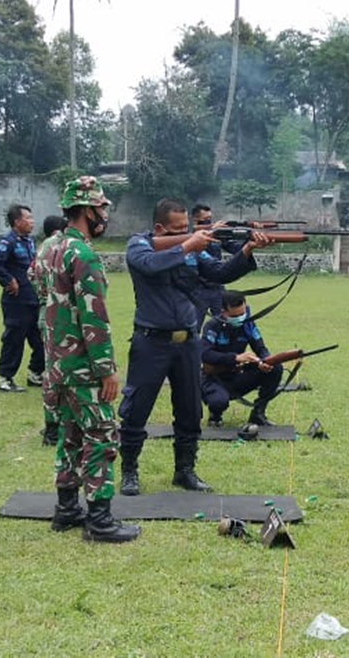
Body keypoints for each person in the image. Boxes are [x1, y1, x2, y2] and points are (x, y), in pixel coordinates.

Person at [117, 199, 273, 496]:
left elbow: (219, 274)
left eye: (186, 228)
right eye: (177, 229)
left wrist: (247, 250)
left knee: (189, 408)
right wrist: (188, 245)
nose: (185, 233)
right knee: (137, 407)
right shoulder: (139, 245)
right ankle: (129, 472)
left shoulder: (190, 250)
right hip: (151, 341)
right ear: (159, 228)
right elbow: (149, 265)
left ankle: (185, 470)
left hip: (188, 341)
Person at [41, 176, 139, 543]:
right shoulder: (81, 254)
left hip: (57, 365)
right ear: (85, 209)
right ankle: (99, 521)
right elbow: (93, 316)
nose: (104, 216)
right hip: (83, 367)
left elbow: (45, 303)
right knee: (99, 437)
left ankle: (66, 509)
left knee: (68, 436)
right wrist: (107, 369)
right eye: (101, 208)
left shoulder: (49, 247)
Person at [200, 290, 283, 428]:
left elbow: (260, 348)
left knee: (275, 368)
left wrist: (264, 361)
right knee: (218, 402)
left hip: (238, 375)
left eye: (243, 313)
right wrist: (235, 357)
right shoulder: (212, 326)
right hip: (214, 378)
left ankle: (258, 413)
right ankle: (215, 414)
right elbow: (205, 354)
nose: (240, 318)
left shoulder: (247, 323)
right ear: (223, 312)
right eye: (235, 315)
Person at [0, 204, 44, 393]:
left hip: (32, 298)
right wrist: (8, 280)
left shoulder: (29, 241)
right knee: (14, 339)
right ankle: (5, 379)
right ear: (17, 222)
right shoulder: (8, 241)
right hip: (16, 301)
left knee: (40, 338)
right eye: (28, 218)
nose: (32, 222)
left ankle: (35, 373)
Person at [29, 214, 69, 445]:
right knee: (58, 376)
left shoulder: (43, 247)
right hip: (62, 315)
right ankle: (55, 430)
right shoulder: (63, 245)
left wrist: (43, 297)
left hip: (47, 312)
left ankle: (53, 428)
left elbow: (30, 274)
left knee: (51, 372)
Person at [190, 204, 246, 331]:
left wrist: (250, 241)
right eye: (205, 220)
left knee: (225, 325)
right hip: (199, 288)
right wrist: (210, 231)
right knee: (193, 328)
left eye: (210, 219)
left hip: (217, 286)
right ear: (195, 219)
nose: (210, 222)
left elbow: (236, 249)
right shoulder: (189, 237)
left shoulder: (217, 235)